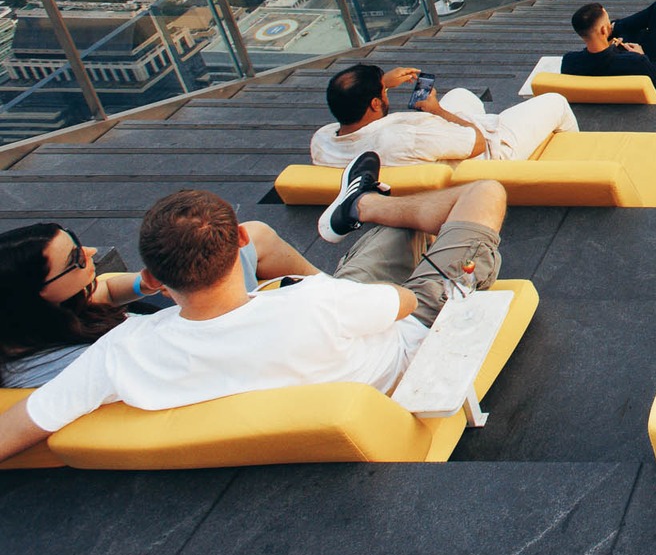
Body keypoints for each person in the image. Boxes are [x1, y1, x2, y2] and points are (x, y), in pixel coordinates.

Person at [0, 172, 515, 464]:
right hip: (416, 328)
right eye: (77, 258)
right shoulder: (315, 301)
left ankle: (365, 208)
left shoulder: (116, 355)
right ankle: (363, 205)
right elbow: (401, 303)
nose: (91, 255)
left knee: (399, 236)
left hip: (333, 321)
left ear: (156, 277)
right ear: (240, 239)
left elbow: (17, 427)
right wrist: (339, 297)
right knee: (485, 192)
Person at [1, 219, 314, 388]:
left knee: (248, 237)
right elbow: (199, 359)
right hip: (218, 342)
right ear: (38, 293)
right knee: (245, 240)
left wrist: (144, 284)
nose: (91, 252)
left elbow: (106, 290)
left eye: (76, 241)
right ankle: (333, 290)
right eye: (75, 259)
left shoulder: (36, 320)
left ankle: (331, 287)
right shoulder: (80, 361)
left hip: (187, 332)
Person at [314, 62, 577, 167]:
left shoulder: (323, 141)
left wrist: (383, 83)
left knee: (462, 94)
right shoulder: (407, 137)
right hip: (489, 150)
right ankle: (575, 158)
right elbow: (477, 143)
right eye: (383, 93)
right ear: (374, 104)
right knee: (555, 101)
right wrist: (436, 110)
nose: (386, 94)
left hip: (434, 137)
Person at [563, 0, 656, 83]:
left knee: (629, 34)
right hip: (647, 65)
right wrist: (642, 55)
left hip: (611, 58)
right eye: (608, 22)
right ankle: (616, 26)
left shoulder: (569, 61)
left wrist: (612, 49)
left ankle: (616, 27)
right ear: (603, 30)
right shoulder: (638, 60)